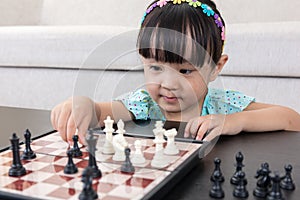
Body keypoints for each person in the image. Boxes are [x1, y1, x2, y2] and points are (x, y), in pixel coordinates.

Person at [51, 0, 300, 145]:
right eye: (155, 67)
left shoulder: (223, 104)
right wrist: (83, 104)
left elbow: (292, 119)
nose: (168, 84)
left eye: (184, 70)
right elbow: (98, 113)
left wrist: (235, 122)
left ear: (216, 68)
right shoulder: (143, 103)